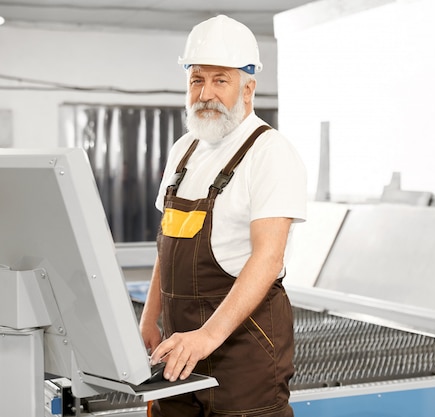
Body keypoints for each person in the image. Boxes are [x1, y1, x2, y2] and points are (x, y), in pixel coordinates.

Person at [139, 14, 307, 417]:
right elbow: (168, 245)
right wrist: (149, 317)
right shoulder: (183, 150)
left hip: (244, 353)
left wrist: (208, 337)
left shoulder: (270, 153)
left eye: (220, 80)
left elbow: (268, 259)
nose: (206, 93)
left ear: (248, 88)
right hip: (180, 349)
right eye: (197, 80)